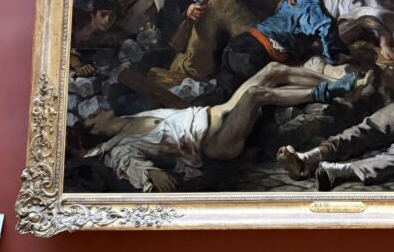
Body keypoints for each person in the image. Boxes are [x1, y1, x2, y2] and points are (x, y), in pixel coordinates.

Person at [83, 61, 358, 192]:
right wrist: (152, 173)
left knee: (273, 69)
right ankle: (326, 92)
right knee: (255, 94)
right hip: (216, 142)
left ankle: (341, 84)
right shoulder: (120, 147)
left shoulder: (133, 117)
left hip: (218, 112)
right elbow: (128, 164)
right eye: (92, 118)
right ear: (95, 131)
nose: (97, 111)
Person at [198, 0, 348, 105]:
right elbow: (326, 26)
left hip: (239, 44)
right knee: (266, 101)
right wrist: (333, 57)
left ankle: (189, 110)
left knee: (222, 95)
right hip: (258, 53)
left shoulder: (287, 0)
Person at [69, 0, 124, 76]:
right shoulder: (76, 28)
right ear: (93, 13)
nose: (107, 20)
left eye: (112, 15)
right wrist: (78, 66)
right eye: (103, 14)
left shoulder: (116, 34)